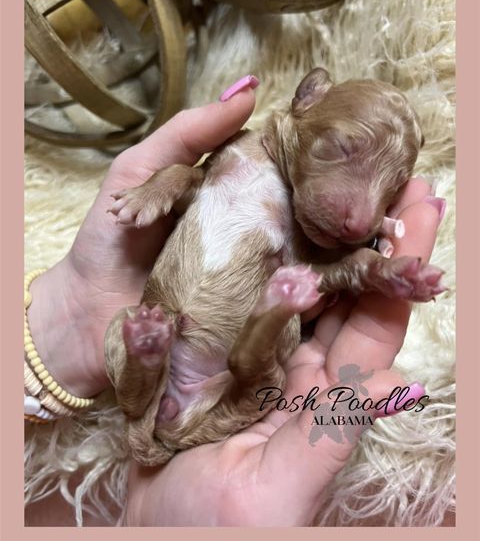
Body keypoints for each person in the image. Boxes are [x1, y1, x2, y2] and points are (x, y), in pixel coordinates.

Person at [25, 76, 444, 526]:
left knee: (267, 341)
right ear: (307, 99)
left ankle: (199, 340)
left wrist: (378, 271)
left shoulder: (319, 234)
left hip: (225, 393)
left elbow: (330, 275)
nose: (360, 218)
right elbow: (193, 185)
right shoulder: (241, 148)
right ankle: (154, 358)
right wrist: (164, 184)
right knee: (127, 328)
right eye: (342, 149)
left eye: (388, 188)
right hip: (159, 368)